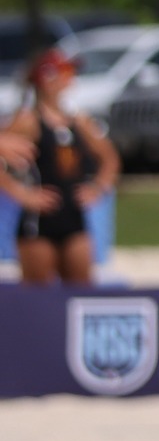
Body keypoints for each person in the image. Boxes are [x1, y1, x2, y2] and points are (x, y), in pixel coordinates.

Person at [3, 50, 120, 286]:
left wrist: (98, 187)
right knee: (38, 297)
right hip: (38, 220)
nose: (72, 77)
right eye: (66, 72)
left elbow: (110, 158)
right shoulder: (29, 120)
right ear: (48, 78)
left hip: (73, 216)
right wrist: (23, 195)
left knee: (80, 292)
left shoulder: (78, 121)